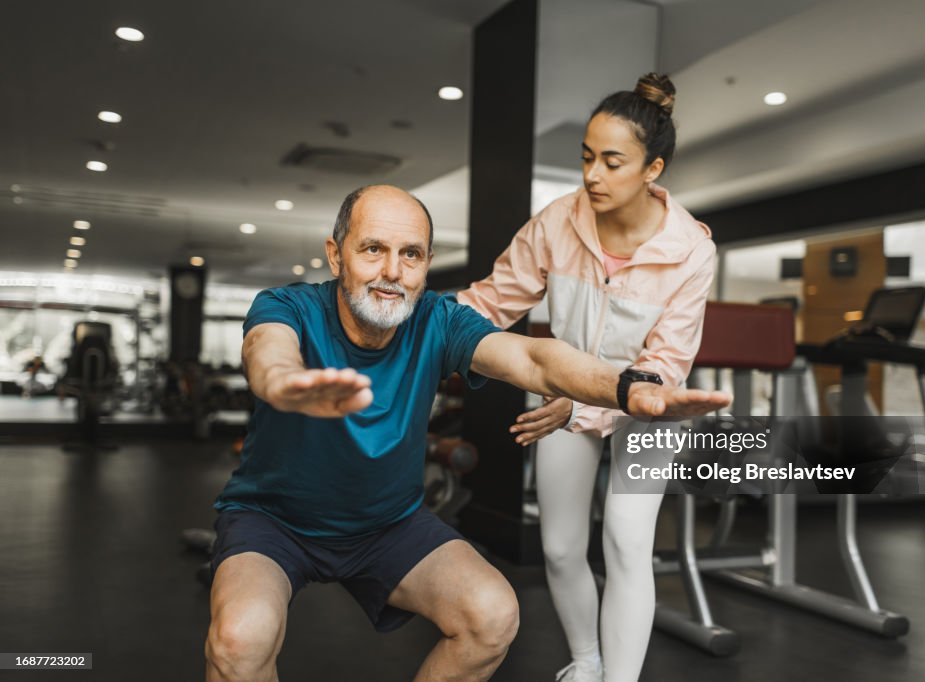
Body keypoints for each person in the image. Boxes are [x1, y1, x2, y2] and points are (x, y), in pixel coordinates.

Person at [205, 184, 730, 682]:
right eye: (373, 249)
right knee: (238, 640)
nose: (392, 271)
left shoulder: (438, 320)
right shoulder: (288, 306)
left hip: (387, 525)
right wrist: (285, 381)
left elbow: (534, 359)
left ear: (427, 263)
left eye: (411, 254)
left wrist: (628, 388)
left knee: (491, 615)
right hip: (276, 523)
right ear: (336, 255)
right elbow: (267, 351)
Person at [458, 73, 716, 682]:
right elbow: (491, 301)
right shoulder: (558, 222)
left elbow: (662, 367)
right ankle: (588, 663)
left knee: (625, 539)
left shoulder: (692, 250)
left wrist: (582, 405)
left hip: (652, 406)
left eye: (612, 162)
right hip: (565, 397)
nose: (592, 175)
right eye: (586, 157)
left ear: (652, 169)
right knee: (559, 547)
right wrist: (413, 330)